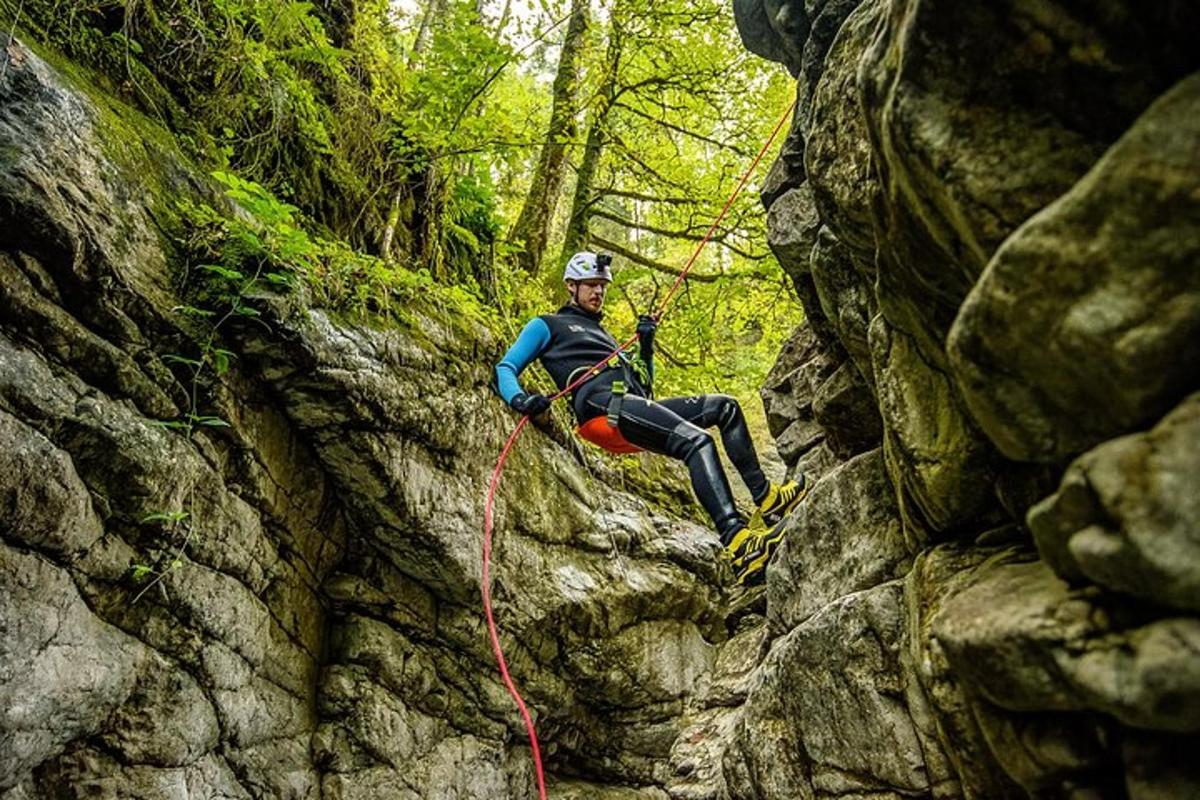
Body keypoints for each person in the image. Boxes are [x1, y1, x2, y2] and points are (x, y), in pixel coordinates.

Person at [493, 251, 807, 585]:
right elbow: (506, 367)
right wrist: (520, 398)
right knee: (696, 442)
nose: (598, 292)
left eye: (602, 286)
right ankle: (740, 544)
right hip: (601, 407)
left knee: (724, 407)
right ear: (571, 285)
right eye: (591, 285)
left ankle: (768, 499)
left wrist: (646, 343)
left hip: (626, 403)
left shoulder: (608, 337)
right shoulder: (548, 325)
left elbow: (644, 391)